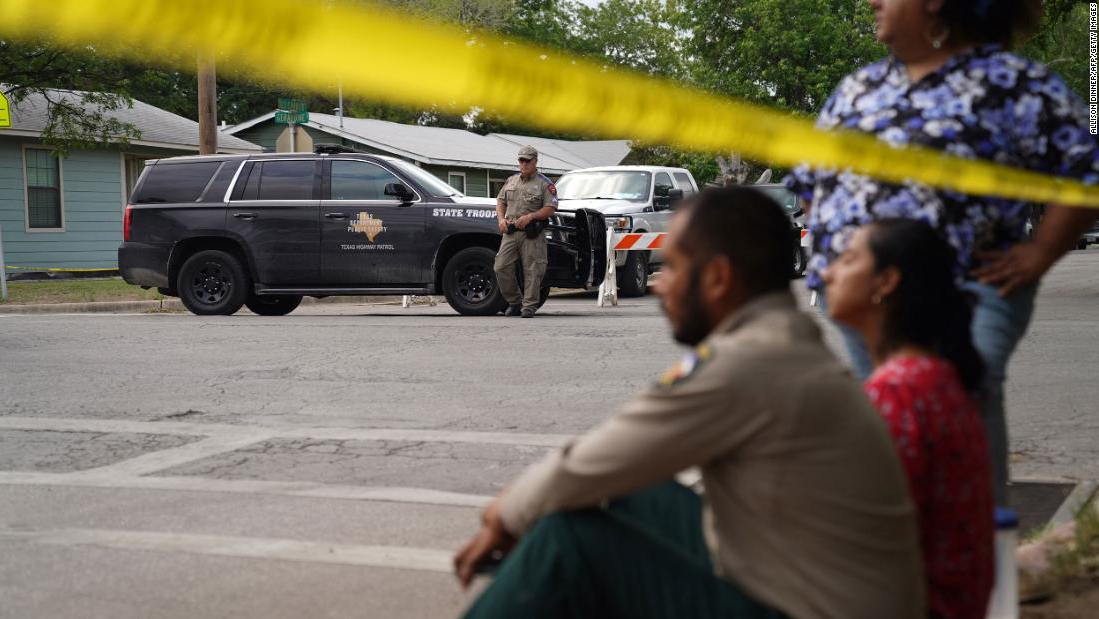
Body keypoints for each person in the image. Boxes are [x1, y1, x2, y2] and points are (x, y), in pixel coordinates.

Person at [454, 187, 924, 619]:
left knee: (569, 538)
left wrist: (506, 513)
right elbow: (608, 460)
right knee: (628, 488)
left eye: (673, 266)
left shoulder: (750, 361)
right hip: (819, 584)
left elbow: (596, 460)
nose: (660, 285)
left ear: (718, 277)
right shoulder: (779, 340)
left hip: (810, 610)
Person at [786, 0, 1099, 504]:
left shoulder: (1012, 84)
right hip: (864, 302)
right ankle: (912, 558)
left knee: (958, 409)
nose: (873, 2)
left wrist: (1040, 251)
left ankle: (979, 553)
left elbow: (1084, 172)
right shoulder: (860, 87)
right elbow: (806, 181)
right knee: (891, 430)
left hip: (966, 293)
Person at [823, 219, 994, 619]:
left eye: (847, 260)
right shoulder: (934, 376)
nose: (828, 271)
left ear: (885, 282)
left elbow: (862, 535)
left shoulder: (899, 391)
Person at [494, 145, 558, 318]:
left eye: (527, 161)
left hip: (532, 233)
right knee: (501, 267)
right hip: (511, 231)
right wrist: (501, 219)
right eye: (521, 160)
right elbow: (500, 202)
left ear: (535, 161)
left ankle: (529, 306)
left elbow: (550, 207)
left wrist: (531, 216)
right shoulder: (511, 181)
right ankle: (515, 301)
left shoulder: (545, 184)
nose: (523, 164)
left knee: (533, 269)